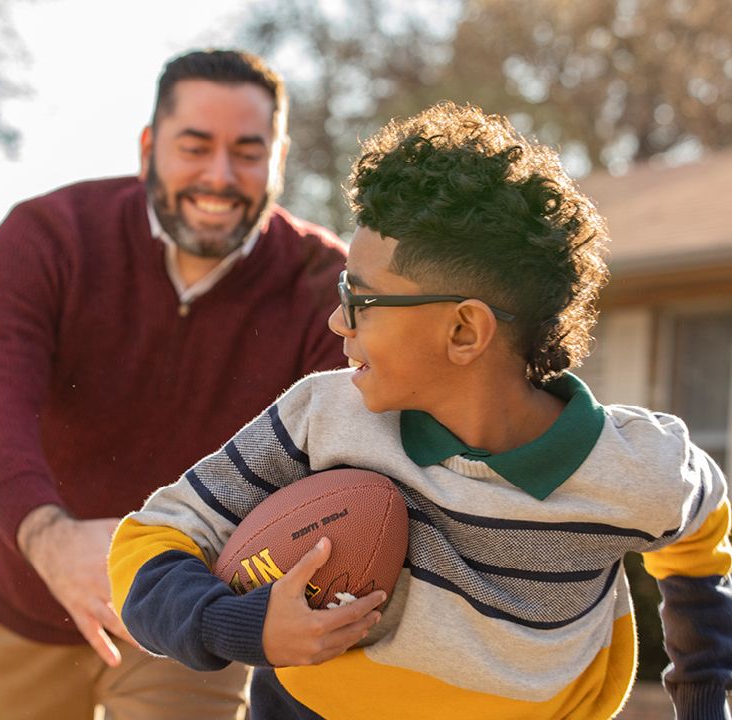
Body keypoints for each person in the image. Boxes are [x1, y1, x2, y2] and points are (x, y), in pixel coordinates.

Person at [108, 101, 732, 719]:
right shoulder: (320, 419)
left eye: (363, 300)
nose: (335, 320)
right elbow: (147, 544)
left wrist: (704, 702)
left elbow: (702, 541)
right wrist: (242, 626)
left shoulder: (640, 467)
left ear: (464, 331)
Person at [0, 49, 348, 719]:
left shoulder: (322, 287)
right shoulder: (47, 238)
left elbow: (348, 452)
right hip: (22, 589)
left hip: (192, 612)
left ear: (278, 160)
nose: (219, 177)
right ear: (149, 147)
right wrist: (50, 537)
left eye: (248, 153)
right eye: (195, 147)